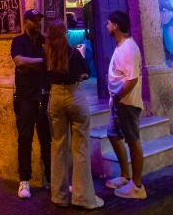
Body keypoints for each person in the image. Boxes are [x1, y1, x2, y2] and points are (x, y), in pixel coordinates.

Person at [44, 20, 101, 209]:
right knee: (80, 146)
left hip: (55, 97)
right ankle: (83, 198)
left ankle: (59, 196)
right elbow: (85, 72)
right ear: (65, 33)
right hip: (74, 95)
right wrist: (82, 56)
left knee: (58, 147)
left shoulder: (47, 55)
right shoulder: (73, 53)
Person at [105, 10, 146, 199]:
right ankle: (125, 175)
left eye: (109, 23)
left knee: (132, 140)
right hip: (118, 101)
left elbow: (132, 80)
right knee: (113, 135)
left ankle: (137, 186)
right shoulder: (121, 46)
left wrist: (120, 97)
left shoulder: (129, 48)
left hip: (126, 102)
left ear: (116, 26)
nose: (107, 26)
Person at [11, 8, 51, 199]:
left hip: (44, 96)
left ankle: (51, 179)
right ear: (25, 22)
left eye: (39, 20)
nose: (38, 24)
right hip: (25, 97)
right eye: (34, 21)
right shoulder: (18, 42)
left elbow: (52, 61)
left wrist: (34, 64)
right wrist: (42, 61)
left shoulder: (44, 41)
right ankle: (24, 180)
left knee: (47, 139)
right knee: (25, 138)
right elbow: (20, 62)